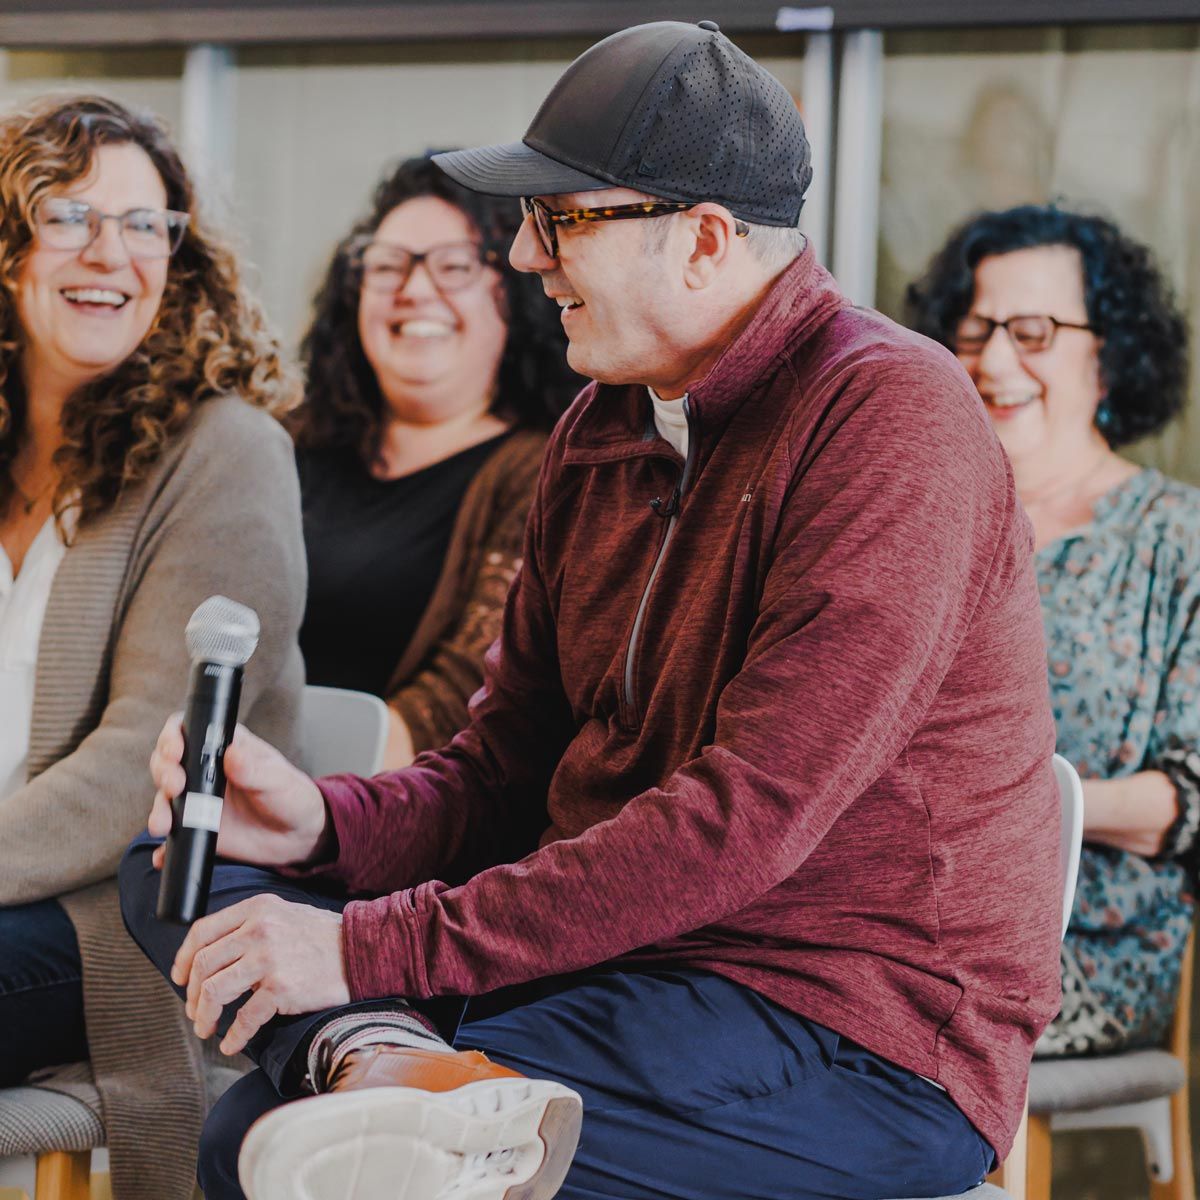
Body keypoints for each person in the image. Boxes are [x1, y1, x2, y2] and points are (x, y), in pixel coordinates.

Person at [121, 21, 1062, 1200]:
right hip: (619, 967)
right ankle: (386, 1060)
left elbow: (740, 825)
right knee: (178, 865)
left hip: (852, 1035)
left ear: (707, 241)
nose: (524, 256)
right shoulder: (601, 426)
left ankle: (379, 1064)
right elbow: (502, 774)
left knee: (272, 1144)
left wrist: (359, 947)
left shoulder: (890, 420)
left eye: (560, 219)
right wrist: (322, 824)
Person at [0, 94, 306, 1200]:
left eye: (146, 224)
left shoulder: (226, 452)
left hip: (119, 917)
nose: (111, 253)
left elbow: (146, 757)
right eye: (69, 215)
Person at [907, 204, 1199, 1057]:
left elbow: (1187, 800)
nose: (995, 361)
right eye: (974, 330)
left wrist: (1020, 803)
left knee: (834, 1025)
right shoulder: (917, 520)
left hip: (1082, 951)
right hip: (886, 918)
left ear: (1111, 351)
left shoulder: (1176, 538)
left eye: (1032, 331)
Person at [292, 156, 579, 768]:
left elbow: (468, 698)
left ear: (515, 294)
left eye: (453, 266)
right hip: (214, 783)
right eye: (388, 264)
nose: (415, 290)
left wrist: (297, 803)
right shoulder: (284, 443)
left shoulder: (546, 471)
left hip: (375, 813)